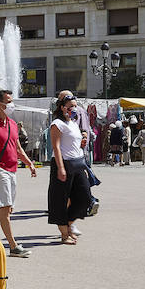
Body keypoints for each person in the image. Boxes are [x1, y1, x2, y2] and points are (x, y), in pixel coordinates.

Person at [0, 89, 38, 259]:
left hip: (13, 169)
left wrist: (29, 164)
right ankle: (13, 246)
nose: (12, 104)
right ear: (0, 104)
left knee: (7, 209)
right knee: (5, 208)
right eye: (9, 101)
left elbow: (18, 148)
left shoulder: (12, 124)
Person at [47, 94, 92, 245]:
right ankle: (64, 234)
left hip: (78, 163)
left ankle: (68, 223)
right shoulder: (57, 124)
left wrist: (82, 141)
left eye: (75, 106)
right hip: (64, 164)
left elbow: (73, 144)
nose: (73, 109)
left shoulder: (73, 123)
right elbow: (56, 147)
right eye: (70, 106)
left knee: (85, 197)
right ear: (62, 108)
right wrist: (60, 168)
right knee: (60, 199)